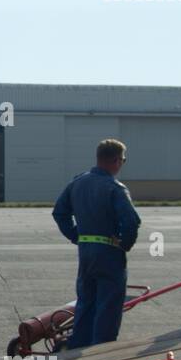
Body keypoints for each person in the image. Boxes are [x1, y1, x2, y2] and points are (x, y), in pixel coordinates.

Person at [52, 139, 141, 349]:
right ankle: (101, 351)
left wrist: (76, 236)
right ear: (117, 160)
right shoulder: (114, 187)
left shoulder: (77, 182)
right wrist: (125, 243)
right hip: (109, 252)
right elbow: (131, 221)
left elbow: (59, 212)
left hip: (86, 252)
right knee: (109, 304)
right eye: (123, 160)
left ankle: (77, 347)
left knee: (86, 302)